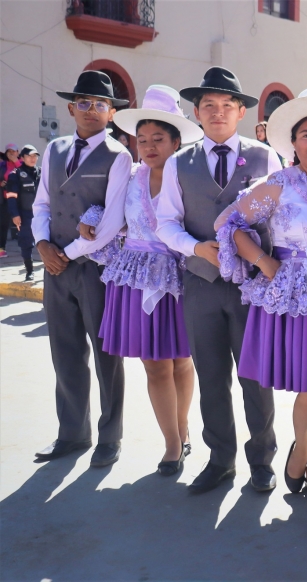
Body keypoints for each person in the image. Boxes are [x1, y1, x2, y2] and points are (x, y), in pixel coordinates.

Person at [213, 87, 307, 500]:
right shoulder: (279, 183)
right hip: (297, 296)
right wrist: (264, 262)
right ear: (294, 143)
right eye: (306, 134)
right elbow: (229, 224)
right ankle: (298, 458)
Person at [156, 67, 282, 494]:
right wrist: (196, 248)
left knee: (255, 377)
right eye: (208, 106)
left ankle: (262, 460)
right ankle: (220, 459)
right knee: (211, 376)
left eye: (227, 105)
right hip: (201, 285)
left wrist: (267, 265)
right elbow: (165, 223)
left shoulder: (265, 157)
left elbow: (282, 222)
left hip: (253, 288)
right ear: (196, 112)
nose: (217, 112)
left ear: (241, 111)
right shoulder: (178, 162)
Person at [77, 85, 203, 476]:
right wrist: (93, 217)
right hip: (134, 275)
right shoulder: (130, 174)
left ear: (176, 141)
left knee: (182, 361)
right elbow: (108, 205)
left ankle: (183, 432)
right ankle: (171, 443)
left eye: (158, 139)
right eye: (142, 139)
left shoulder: (189, 177)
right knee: (154, 365)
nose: (148, 146)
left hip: (178, 276)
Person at [32, 71, 131, 467]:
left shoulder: (118, 156)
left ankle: (110, 435)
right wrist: (42, 245)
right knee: (65, 351)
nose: (92, 110)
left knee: (107, 353)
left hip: (93, 267)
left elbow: (110, 222)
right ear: (72, 108)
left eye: (101, 104)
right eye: (85, 103)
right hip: (54, 266)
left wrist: (67, 253)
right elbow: (41, 204)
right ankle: (72, 433)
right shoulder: (53, 149)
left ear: (111, 113)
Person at [6, 145, 40, 280]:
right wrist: (15, 215)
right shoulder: (16, 175)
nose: (33, 159)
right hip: (25, 214)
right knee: (26, 243)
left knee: (47, 241)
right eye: (30, 156)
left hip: (42, 214)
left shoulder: (41, 172)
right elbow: (11, 197)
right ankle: (29, 271)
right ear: (23, 158)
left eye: (35, 156)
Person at [0, 143, 20, 258]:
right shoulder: (2, 165)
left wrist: (16, 161)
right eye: (9, 152)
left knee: (23, 223)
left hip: (19, 199)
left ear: (18, 152)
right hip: (4, 199)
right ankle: (1, 248)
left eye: (13, 151)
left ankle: (27, 249)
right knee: (3, 224)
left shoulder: (22, 164)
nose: (11, 154)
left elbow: (24, 173)